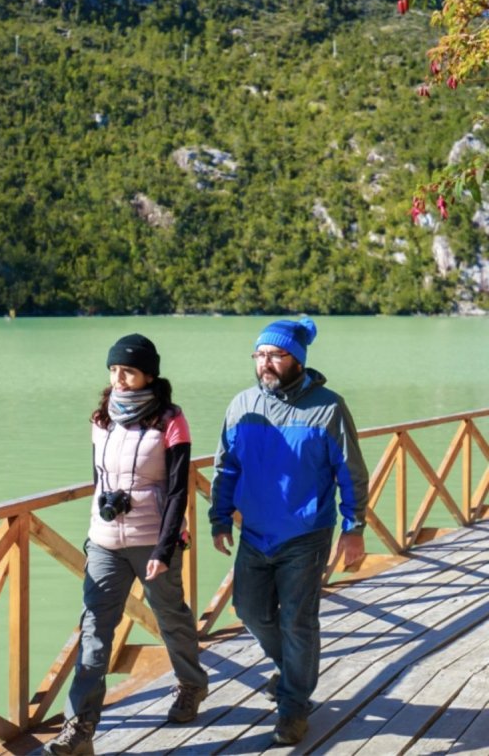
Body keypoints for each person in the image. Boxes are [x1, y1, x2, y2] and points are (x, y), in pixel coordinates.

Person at [209, 317, 368, 746]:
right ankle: (295, 671)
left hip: (306, 533)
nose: (266, 363)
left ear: (297, 359)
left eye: (276, 355)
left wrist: (353, 528)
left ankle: (293, 706)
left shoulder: (328, 407)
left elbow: (350, 472)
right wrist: (219, 518)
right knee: (249, 611)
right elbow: (226, 467)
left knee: (298, 622)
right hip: (254, 534)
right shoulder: (241, 405)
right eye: (259, 355)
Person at [48, 334, 207, 756]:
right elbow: (100, 478)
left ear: (148, 375)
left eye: (129, 371)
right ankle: (79, 730)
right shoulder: (102, 418)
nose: (119, 378)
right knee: (95, 632)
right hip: (104, 542)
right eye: (114, 370)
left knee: (170, 615)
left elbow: (177, 491)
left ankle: (191, 685)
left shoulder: (171, 420)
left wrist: (164, 549)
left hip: (154, 539)